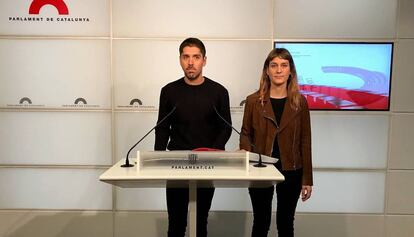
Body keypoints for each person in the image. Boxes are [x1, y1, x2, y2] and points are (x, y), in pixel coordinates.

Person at [154, 37, 232, 237]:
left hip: (207, 164)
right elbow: (162, 128)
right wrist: (157, 160)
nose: (191, 62)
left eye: (196, 57)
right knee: (176, 223)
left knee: (200, 222)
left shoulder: (219, 92)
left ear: (204, 60)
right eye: (186, 57)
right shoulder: (169, 91)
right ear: (180, 59)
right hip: (175, 164)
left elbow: (226, 127)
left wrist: (213, 152)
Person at [239, 48, 313, 237]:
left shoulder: (300, 102)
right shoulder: (253, 101)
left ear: (290, 71)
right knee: (261, 222)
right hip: (260, 167)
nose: (278, 70)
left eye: (283, 65)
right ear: (267, 71)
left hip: (292, 169)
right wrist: (245, 151)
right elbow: (246, 133)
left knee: (286, 223)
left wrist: (307, 179)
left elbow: (305, 141)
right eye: (274, 65)